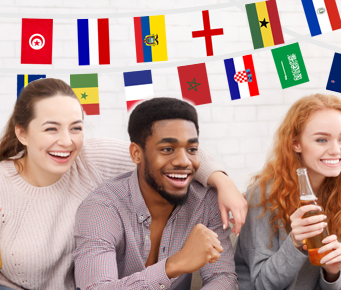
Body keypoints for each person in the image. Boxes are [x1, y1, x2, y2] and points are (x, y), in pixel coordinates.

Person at [0, 79, 246, 290]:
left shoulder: (89, 156)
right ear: (22, 133)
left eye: (76, 127)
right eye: (51, 129)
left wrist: (222, 181)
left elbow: (164, 152)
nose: (67, 141)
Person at [73, 97, 236, 289]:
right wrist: (173, 265)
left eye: (192, 149)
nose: (184, 161)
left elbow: (223, 278)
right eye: (167, 149)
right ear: (136, 153)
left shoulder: (205, 202)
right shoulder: (102, 208)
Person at [234, 94, 341, 290]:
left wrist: (332, 272)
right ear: (296, 143)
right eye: (321, 140)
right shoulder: (263, 195)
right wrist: (295, 242)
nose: (336, 150)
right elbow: (262, 284)